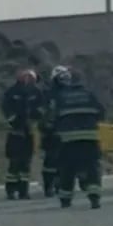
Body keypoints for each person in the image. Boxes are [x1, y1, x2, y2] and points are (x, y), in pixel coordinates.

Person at [44, 66, 105, 209]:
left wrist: (49, 130)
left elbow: (51, 118)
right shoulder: (90, 95)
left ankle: (65, 199)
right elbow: (101, 113)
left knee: (67, 169)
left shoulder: (60, 97)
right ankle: (94, 198)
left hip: (68, 140)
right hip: (90, 138)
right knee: (92, 168)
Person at [1, 67, 38, 199]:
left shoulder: (36, 92)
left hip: (29, 133)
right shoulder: (12, 92)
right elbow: (6, 108)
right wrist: (14, 121)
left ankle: (24, 191)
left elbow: (42, 107)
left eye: (31, 78)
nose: (28, 80)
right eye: (25, 77)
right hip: (16, 132)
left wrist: (36, 118)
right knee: (14, 163)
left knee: (26, 164)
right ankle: (10, 190)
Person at [38, 65, 68, 197]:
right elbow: (42, 112)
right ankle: (49, 186)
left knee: (62, 160)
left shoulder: (67, 93)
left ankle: (57, 184)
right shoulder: (48, 94)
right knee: (51, 161)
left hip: (62, 132)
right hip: (52, 132)